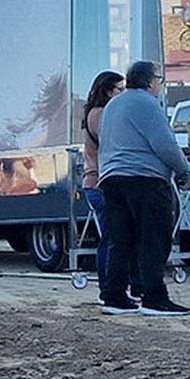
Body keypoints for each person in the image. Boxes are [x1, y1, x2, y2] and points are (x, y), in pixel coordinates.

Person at [98, 60, 190, 317]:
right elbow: (164, 144)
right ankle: (154, 297)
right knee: (154, 238)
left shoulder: (113, 105)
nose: (160, 86)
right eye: (159, 81)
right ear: (151, 82)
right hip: (144, 179)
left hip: (112, 178)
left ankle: (114, 295)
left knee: (121, 240)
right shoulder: (146, 103)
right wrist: (185, 172)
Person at [79, 70, 125, 301]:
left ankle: (111, 287)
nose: (123, 94)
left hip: (98, 181)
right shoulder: (100, 115)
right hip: (99, 182)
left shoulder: (97, 113)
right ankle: (107, 288)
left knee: (111, 236)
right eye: (120, 89)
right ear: (108, 91)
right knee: (110, 237)